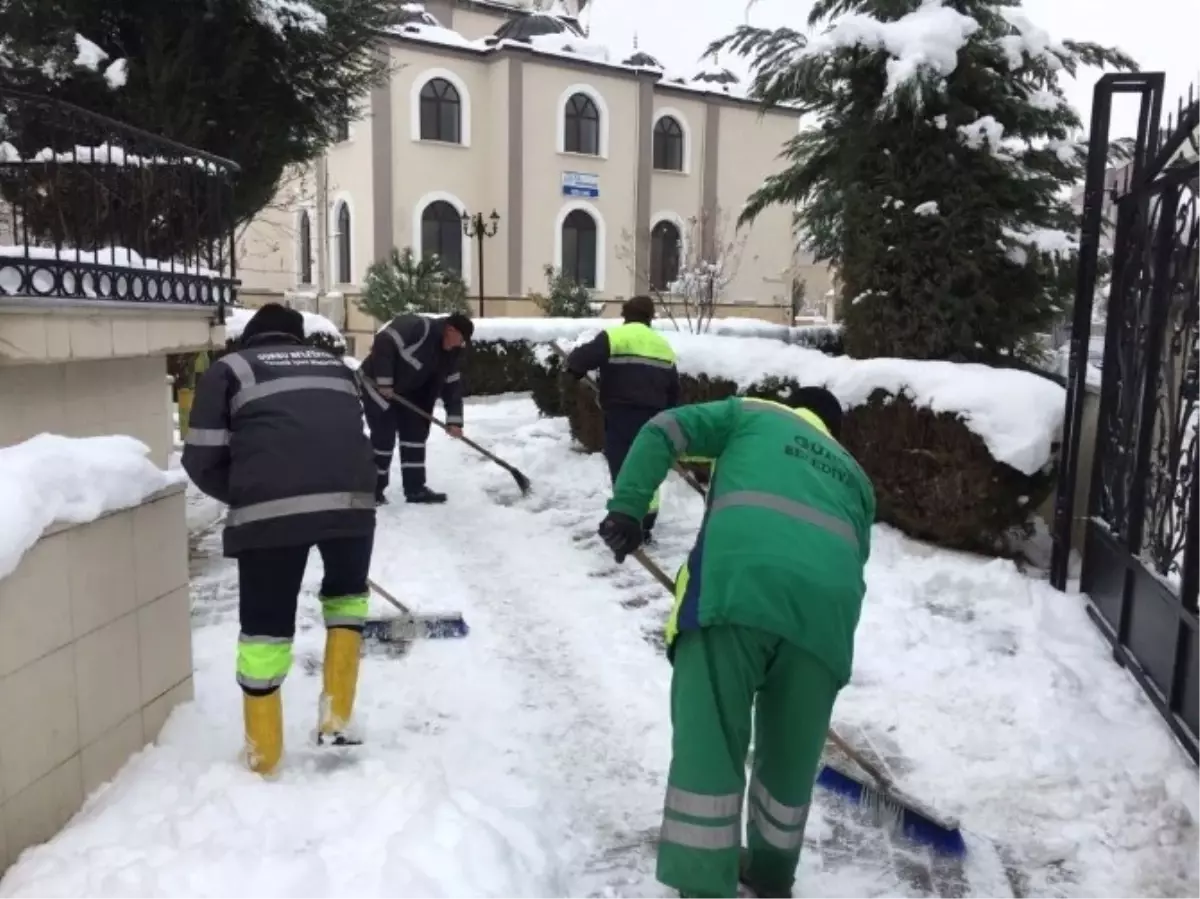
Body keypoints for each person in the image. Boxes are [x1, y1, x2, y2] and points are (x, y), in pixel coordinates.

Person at [597, 387, 876, 899]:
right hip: (826, 620)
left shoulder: (753, 414)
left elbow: (663, 429)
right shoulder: (855, 475)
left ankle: (705, 885)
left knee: (713, 738)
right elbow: (851, 559)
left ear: (792, 403)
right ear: (833, 431)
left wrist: (628, 509)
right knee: (790, 755)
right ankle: (771, 877)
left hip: (736, 590)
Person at [181, 303, 378, 776]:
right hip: (352, 505)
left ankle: (264, 755)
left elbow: (202, 459)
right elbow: (350, 434)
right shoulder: (338, 367)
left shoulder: (230, 369)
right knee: (347, 602)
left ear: (251, 336)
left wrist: (249, 494)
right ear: (299, 339)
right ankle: (338, 719)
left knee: (265, 629)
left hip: (270, 515)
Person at [566, 295, 679, 540]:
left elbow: (578, 360)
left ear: (625, 315)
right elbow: (674, 393)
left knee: (623, 466)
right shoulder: (663, 346)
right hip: (655, 419)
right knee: (648, 465)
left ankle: (627, 519)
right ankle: (646, 520)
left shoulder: (614, 337)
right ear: (650, 318)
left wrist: (573, 371)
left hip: (620, 415)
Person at [358, 311, 473, 505]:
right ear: (450, 330)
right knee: (384, 438)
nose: (460, 345)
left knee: (415, 436)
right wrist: (384, 381)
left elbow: (452, 386)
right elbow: (383, 341)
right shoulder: (418, 327)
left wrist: (454, 419)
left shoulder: (451, 354)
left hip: (411, 393)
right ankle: (373, 490)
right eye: (460, 339)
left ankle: (415, 489)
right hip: (376, 385)